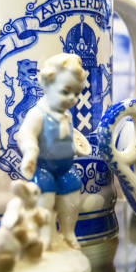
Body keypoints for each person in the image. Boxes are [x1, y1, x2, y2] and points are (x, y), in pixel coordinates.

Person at [18, 53, 91, 249]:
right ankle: (44, 236)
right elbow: (25, 134)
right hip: (44, 168)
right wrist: (30, 150)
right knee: (45, 202)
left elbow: (68, 136)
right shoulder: (38, 114)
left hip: (65, 168)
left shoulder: (66, 116)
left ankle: (68, 232)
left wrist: (77, 146)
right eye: (65, 92)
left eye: (76, 93)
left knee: (71, 200)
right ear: (47, 84)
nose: (72, 99)